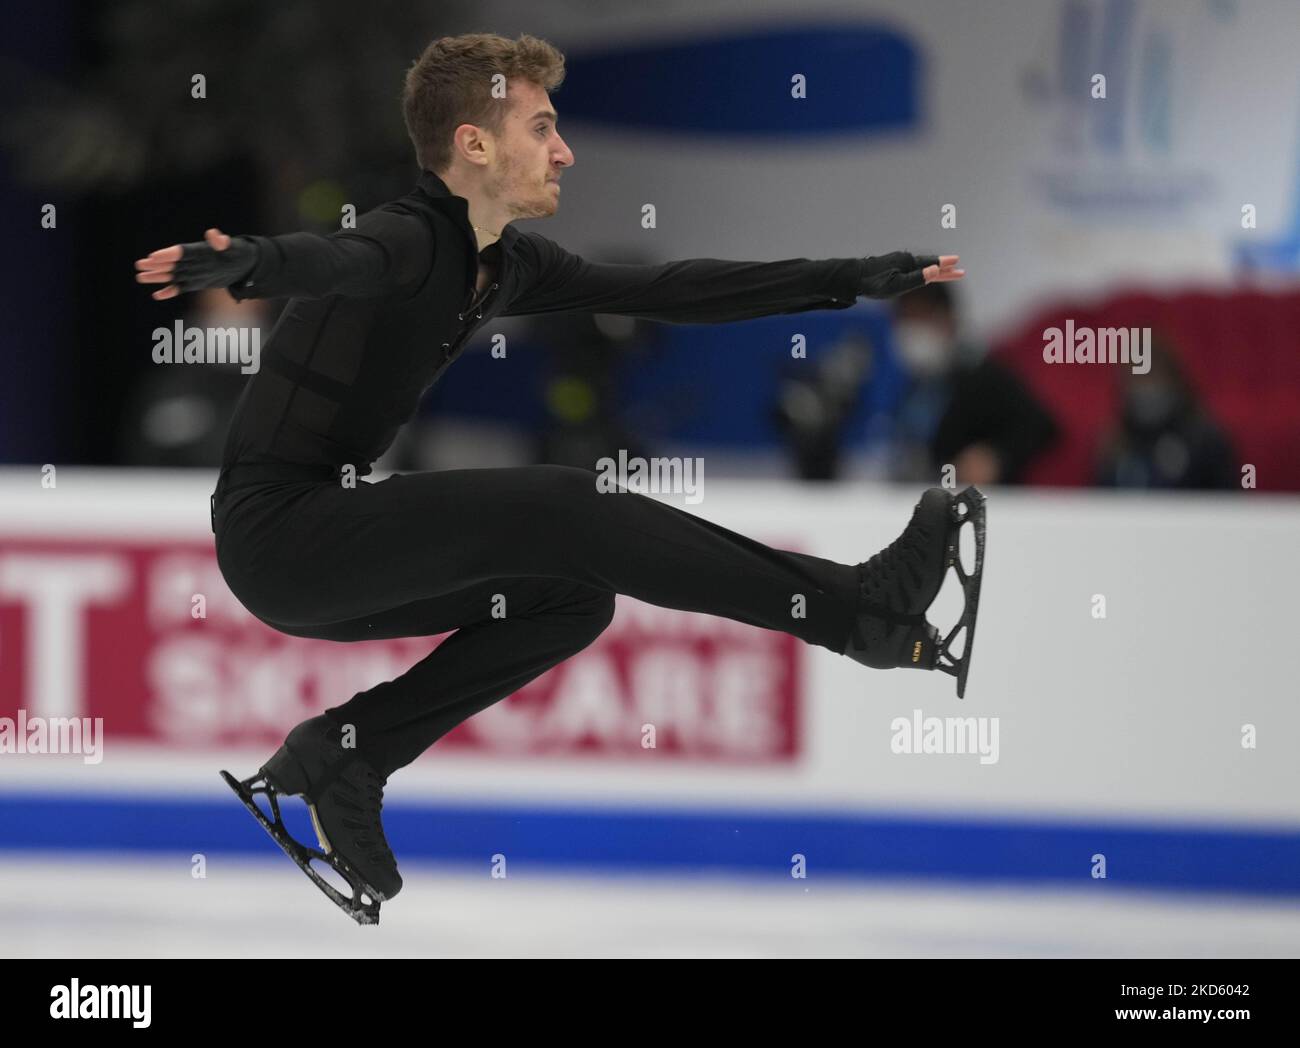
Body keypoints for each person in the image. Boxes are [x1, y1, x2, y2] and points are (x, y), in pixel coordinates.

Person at [134, 32, 980, 923]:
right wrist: (255, 263)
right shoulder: (410, 238)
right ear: (474, 144)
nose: (565, 149)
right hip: (282, 537)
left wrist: (846, 277)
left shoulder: (509, 264)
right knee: (566, 503)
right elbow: (337, 260)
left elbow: (671, 288)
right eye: (542, 127)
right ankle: (862, 612)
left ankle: (346, 753)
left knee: (569, 598)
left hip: (322, 547)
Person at [889, 282, 1058, 485]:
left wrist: (995, 455)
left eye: (921, 320)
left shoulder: (982, 375)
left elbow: (1040, 426)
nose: (913, 333)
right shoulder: (896, 378)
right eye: (906, 321)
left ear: (947, 318)